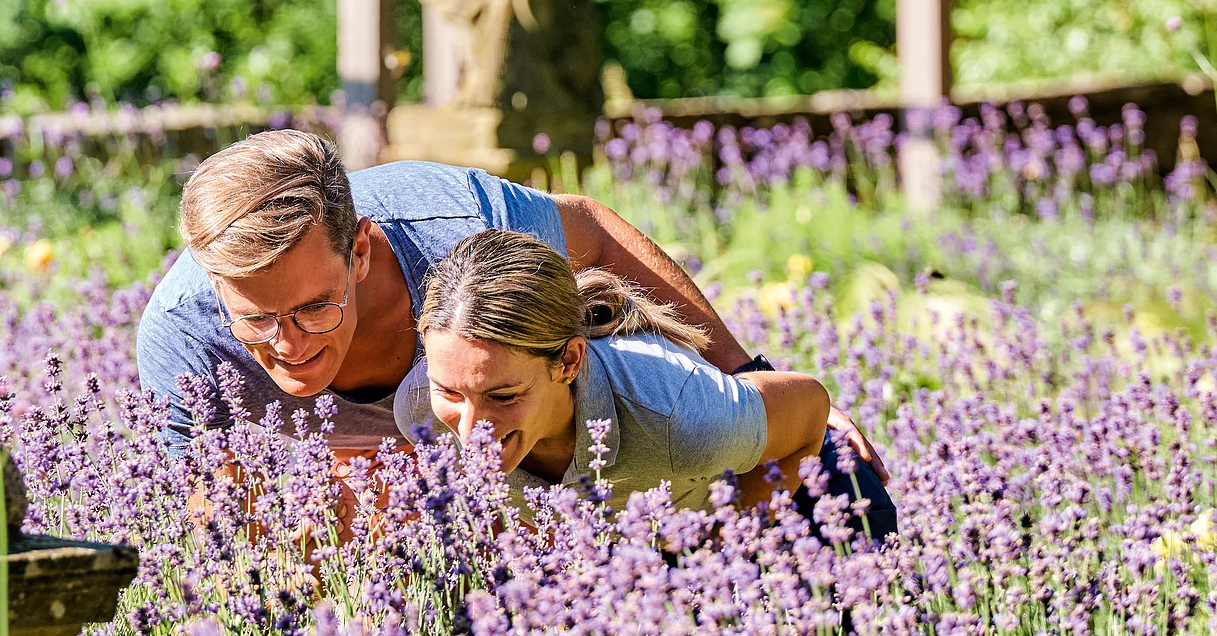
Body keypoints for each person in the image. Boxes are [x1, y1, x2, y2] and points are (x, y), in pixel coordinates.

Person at [135, 129, 884, 485]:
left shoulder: (460, 227)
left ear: (360, 251)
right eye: (256, 320)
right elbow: (210, 516)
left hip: (614, 446)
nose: (289, 344)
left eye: (314, 309)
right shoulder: (183, 337)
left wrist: (750, 379)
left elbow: (589, 229)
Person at [395, 230, 895, 537]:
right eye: (451, 393)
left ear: (569, 361)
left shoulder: (679, 415)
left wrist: (724, 547)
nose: (471, 427)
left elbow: (809, 408)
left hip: (819, 507)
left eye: (503, 396)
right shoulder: (421, 414)